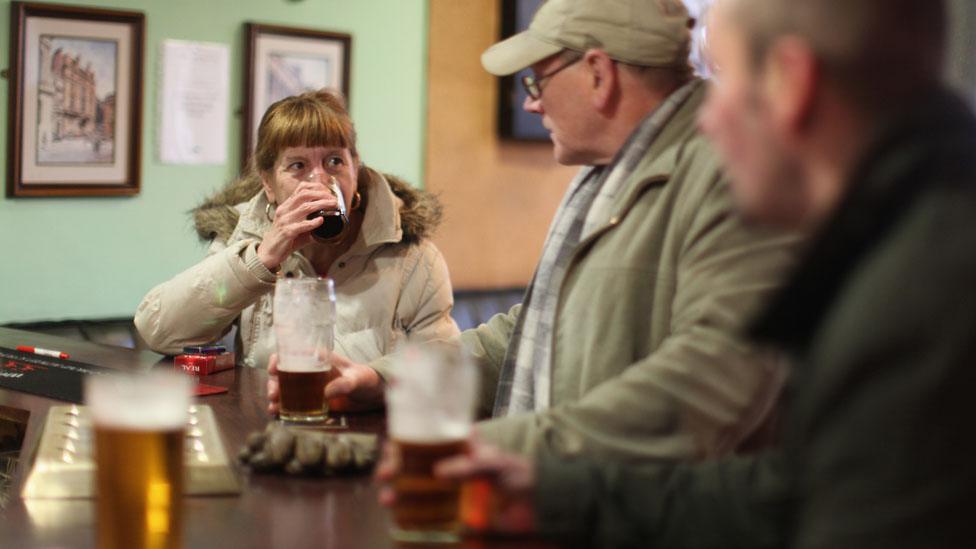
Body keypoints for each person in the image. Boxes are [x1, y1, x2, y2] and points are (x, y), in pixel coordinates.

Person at [431, 0, 976, 547]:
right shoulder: (906, 236)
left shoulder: (919, 292)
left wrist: (514, 452)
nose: (709, 115)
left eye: (728, 77)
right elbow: (790, 491)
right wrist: (563, 495)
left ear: (792, 82)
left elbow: (720, 387)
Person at [300, 0, 800, 462]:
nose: (532, 105)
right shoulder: (607, 174)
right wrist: (383, 378)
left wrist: (506, 447)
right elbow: (537, 328)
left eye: (537, 82)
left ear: (600, 75)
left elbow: (713, 380)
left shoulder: (733, 171)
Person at [135, 90, 459, 369]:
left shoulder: (415, 259)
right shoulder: (246, 237)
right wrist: (261, 260)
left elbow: (444, 370)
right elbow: (158, 332)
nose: (318, 180)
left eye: (334, 161)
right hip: (265, 430)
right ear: (268, 183)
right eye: (297, 166)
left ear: (355, 167)